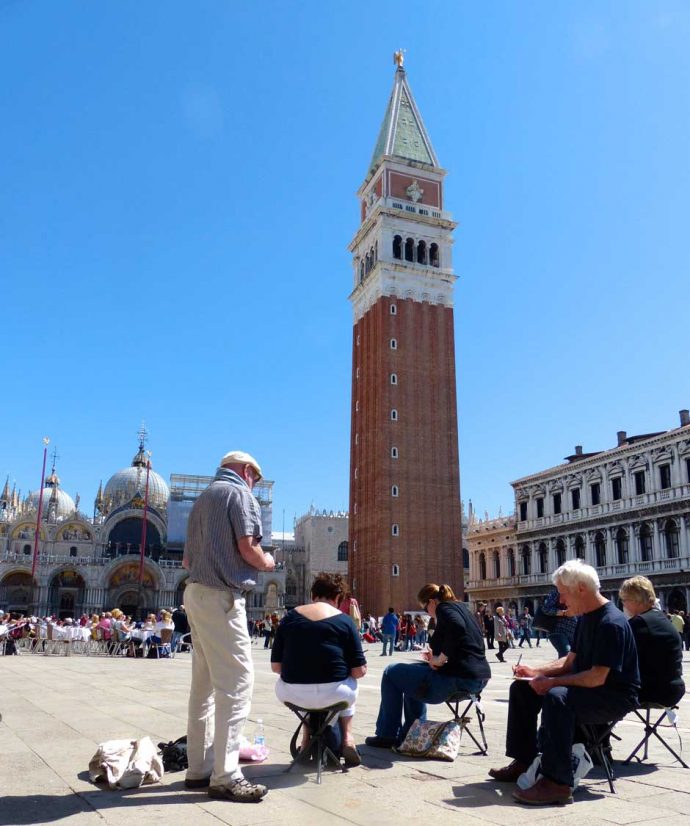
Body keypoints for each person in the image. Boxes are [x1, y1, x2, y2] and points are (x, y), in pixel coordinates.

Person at [489, 560, 640, 807]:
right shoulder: (586, 619)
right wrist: (535, 671)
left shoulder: (610, 623)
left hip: (613, 696)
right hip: (591, 687)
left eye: (562, 592)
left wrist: (551, 682)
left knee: (557, 697)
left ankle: (558, 782)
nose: (560, 601)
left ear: (580, 588)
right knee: (521, 689)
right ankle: (524, 760)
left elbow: (596, 677)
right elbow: (570, 662)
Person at [183, 449, 275, 803]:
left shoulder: (202, 499)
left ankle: (199, 768)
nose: (255, 483)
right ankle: (225, 775)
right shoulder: (239, 494)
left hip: (195, 593)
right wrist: (266, 563)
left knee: (203, 686)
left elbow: (188, 559)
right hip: (222, 597)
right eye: (255, 476)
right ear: (246, 470)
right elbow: (248, 548)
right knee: (237, 684)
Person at [365, 583, 491, 748]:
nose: (427, 613)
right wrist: (436, 657)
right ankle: (412, 734)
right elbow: (463, 641)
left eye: (425, 609)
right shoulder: (462, 608)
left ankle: (387, 734)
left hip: (457, 679)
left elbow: (457, 628)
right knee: (411, 677)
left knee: (391, 672)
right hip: (479, 679)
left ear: (432, 602)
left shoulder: (443, 608)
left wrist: (441, 659)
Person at [271, 572, 367, 766]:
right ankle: (348, 738)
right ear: (337, 598)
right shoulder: (345, 621)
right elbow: (359, 671)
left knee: (304, 683)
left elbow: (276, 667)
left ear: (313, 595)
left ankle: (306, 741)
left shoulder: (289, 618)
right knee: (350, 683)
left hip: (293, 695)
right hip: (335, 694)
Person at [619, 576, 685, 708]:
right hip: (673, 689)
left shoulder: (639, 623)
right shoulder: (662, 618)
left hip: (653, 691)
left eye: (625, 600)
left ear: (636, 600)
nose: (623, 605)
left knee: (589, 695)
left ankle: (597, 729)